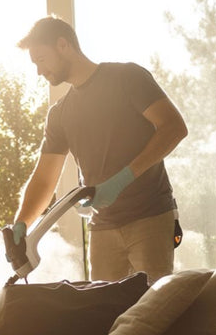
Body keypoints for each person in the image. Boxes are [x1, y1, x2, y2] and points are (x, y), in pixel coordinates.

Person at [12, 16, 188, 283]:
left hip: (149, 216)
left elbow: (174, 127)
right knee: (104, 315)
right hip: (102, 227)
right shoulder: (60, 114)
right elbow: (45, 178)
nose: (38, 71)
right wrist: (22, 223)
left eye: (41, 59)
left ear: (63, 45)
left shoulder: (127, 78)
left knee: (153, 310)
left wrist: (123, 179)